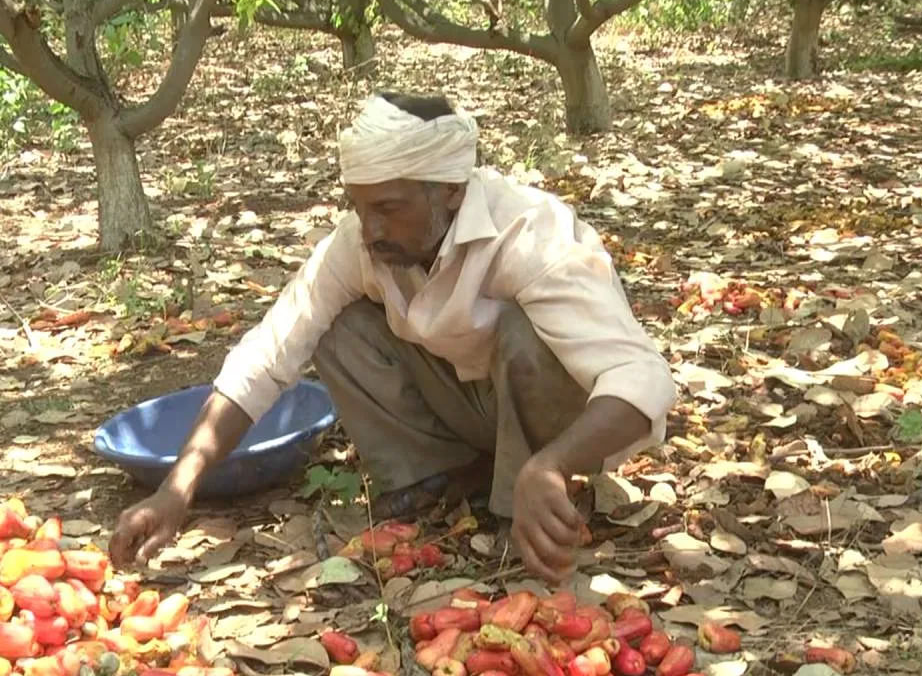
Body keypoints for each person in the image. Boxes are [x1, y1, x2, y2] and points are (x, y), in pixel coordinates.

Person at [109, 92, 676, 585]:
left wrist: (552, 464)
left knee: (525, 333)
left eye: (388, 208)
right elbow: (270, 350)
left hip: (549, 416)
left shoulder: (530, 231)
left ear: (451, 190)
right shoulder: (360, 242)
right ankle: (432, 479)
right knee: (337, 324)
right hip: (464, 402)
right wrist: (178, 489)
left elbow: (642, 378)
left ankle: (519, 501)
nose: (370, 228)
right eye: (358, 206)